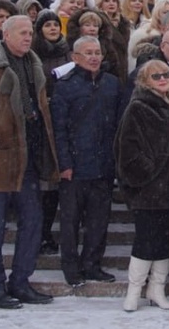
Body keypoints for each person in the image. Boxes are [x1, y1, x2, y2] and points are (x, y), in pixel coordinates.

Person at [0, 15, 59, 309]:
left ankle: (20, 281)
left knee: (33, 222)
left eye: (30, 32)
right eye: (22, 33)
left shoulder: (33, 64)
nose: (28, 37)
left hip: (28, 159)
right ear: (6, 35)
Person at [114, 59, 169, 312]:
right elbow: (127, 149)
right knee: (145, 241)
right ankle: (134, 291)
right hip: (148, 189)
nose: (163, 80)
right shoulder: (138, 107)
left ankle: (156, 289)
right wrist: (151, 171)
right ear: (144, 81)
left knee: (164, 241)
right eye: (156, 76)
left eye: (166, 75)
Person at [51, 36, 127, 286]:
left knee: (98, 221)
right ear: (75, 57)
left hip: (103, 165)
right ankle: (71, 267)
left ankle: (92, 264)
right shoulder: (65, 86)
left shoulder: (112, 84)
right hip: (75, 166)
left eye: (97, 52)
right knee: (70, 221)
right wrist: (64, 163)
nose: (94, 57)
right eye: (88, 53)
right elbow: (59, 129)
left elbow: (120, 125)